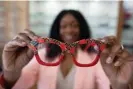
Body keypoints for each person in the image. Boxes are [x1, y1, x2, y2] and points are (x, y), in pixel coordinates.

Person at [0, 9, 133, 89]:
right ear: (57, 30)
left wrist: (119, 85)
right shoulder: (42, 55)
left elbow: (106, 83)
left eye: (74, 25)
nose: (69, 30)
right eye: (63, 26)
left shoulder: (95, 58)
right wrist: (10, 75)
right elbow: (21, 84)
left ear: (82, 29)